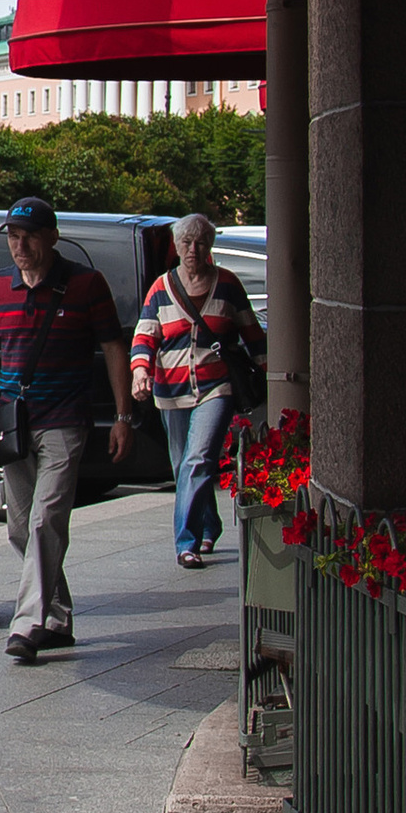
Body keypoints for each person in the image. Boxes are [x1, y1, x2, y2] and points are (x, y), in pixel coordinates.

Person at [0, 200, 132, 665]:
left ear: (52, 236)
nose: (19, 245)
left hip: (65, 420)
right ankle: (58, 618)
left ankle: (27, 623)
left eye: (28, 236)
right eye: (12, 236)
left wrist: (124, 415)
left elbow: (112, 347)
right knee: (21, 526)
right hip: (13, 422)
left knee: (47, 519)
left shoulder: (86, 285)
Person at [129, 209, 264, 568]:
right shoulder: (161, 288)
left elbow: (253, 335)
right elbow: (144, 335)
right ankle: (209, 525)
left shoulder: (229, 285)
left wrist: (270, 373)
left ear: (210, 246)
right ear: (176, 245)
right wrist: (140, 371)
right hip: (170, 389)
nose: (193, 249)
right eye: (186, 242)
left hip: (216, 386)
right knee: (182, 465)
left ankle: (185, 543)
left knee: (198, 458)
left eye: (201, 242)